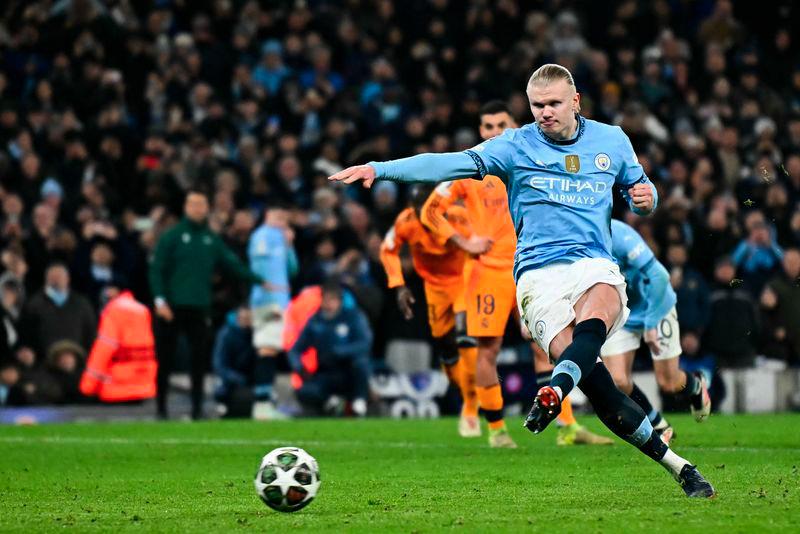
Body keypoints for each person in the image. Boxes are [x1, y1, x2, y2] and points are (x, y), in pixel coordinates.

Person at [329, 64, 714, 498]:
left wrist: (648, 199)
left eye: (553, 104)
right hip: (537, 277)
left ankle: (556, 388)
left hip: (592, 263)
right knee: (604, 393)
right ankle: (677, 465)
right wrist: (380, 169)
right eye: (536, 106)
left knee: (599, 310)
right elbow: (448, 164)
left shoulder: (613, 140)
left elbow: (640, 190)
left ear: (575, 102)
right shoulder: (513, 146)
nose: (544, 113)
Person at [149, 189, 267, 420]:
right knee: (164, 359)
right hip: (171, 307)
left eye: (202, 205)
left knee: (198, 360)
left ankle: (196, 409)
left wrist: (262, 281)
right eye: (193, 204)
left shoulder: (210, 239)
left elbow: (232, 265)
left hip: (199, 306)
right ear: (186, 207)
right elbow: (157, 270)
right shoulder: (171, 236)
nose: (198, 209)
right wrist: (160, 299)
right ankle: (161, 409)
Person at [379, 184, 480, 439]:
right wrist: (399, 286)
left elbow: (480, 246)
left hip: (463, 280)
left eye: (425, 209)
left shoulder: (458, 217)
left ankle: (470, 406)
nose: (421, 215)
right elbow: (387, 250)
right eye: (416, 209)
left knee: (464, 332)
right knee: (446, 347)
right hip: (434, 288)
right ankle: (469, 391)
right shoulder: (405, 222)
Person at [599, 220, 712, 444]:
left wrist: (651, 325)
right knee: (618, 380)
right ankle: (658, 425)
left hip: (656, 305)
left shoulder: (620, 234)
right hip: (623, 311)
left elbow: (660, 277)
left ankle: (695, 385)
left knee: (668, 383)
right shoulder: (578, 238)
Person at [288, 279, 372, 417]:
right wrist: (299, 367)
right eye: (325, 300)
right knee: (303, 391)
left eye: (332, 300)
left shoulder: (353, 317)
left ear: (340, 301)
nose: (328, 304)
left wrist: (339, 351)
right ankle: (333, 402)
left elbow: (364, 343)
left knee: (361, 364)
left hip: (349, 371)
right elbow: (295, 349)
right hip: (326, 371)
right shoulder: (315, 321)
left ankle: (359, 401)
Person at [248, 203, 298, 420]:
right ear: (267, 214)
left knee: (271, 350)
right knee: (267, 349)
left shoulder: (281, 238)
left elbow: (293, 270)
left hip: (281, 301)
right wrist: (269, 295)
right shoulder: (262, 236)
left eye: (284, 218)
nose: (282, 222)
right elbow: (257, 269)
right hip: (268, 301)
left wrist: (289, 246)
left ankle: (264, 402)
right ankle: (261, 406)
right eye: (278, 216)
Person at [80, 279, 157, 403]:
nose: (105, 293)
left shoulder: (114, 310)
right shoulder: (142, 310)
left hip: (118, 383)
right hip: (143, 382)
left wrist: (88, 386)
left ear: (116, 290)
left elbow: (104, 349)